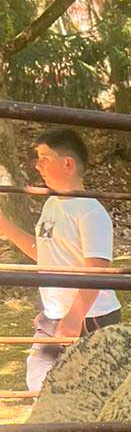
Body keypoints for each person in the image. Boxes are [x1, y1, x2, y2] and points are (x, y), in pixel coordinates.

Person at [0, 129, 121, 393]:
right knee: (40, 384)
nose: (37, 164)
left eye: (44, 157)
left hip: (91, 318)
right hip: (55, 318)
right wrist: (5, 226)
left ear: (68, 164)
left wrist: (74, 315)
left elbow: (97, 269)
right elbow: (43, 251)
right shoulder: (53, 204)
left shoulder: (90, 212)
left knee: (91, 391)